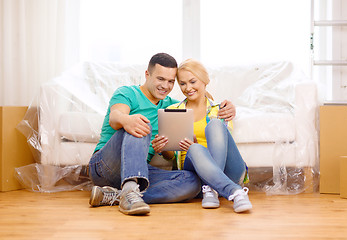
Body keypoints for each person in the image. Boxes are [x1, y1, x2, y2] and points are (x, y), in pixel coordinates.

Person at [88, 53, 236, 216]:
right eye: (160, 79)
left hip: (139, 171)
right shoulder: (128, 93)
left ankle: (118, 196)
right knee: (140, 123)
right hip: (106, 166)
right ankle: (129, 190)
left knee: (191, 182)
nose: (165, 86)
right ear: (147, 74)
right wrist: (127, 120)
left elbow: (196, 101)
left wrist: (228, 107)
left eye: (171, 81)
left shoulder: (172, 107)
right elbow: (115, 118)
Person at [151, 58, 252, 213]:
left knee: (215, 124)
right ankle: (229, 191)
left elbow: (224, 142)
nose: (188, 88)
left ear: (205, 81)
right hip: (195, 176)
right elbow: (171, 156)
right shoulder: (174, 110)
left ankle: (212, 187)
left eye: (193, 82)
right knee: (195, 149)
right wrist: (163, 148)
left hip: (228, 172)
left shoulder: (221, 109)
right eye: (183, 84)